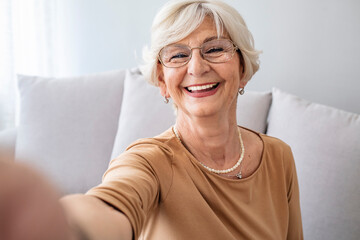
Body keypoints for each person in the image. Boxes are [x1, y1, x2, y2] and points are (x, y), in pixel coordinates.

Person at [0, 0, 303, 239]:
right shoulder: (149, 161)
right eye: (177, 55)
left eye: (214, 49)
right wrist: (63, 227)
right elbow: (109, 207)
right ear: (161, 78)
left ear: (243, 68)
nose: (196, 68)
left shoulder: (279, 157)